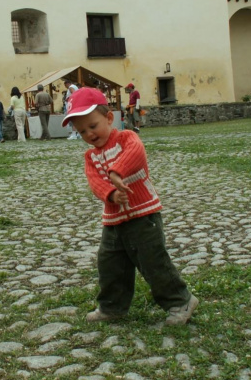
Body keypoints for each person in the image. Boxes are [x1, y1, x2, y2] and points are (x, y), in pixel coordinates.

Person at [62, 87, 199, 325]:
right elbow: (94, 182)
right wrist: (111, 193)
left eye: (93, 126)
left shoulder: (126, 138)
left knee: (152, 260)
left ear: (109, 118)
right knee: (110, 264)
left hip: (143, 214)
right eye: (82, 131)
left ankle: (180, 300)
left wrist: (117, 172)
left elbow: (136, 154)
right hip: (113, 221)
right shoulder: (90, 157)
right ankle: (112, 307)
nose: (89, 134)